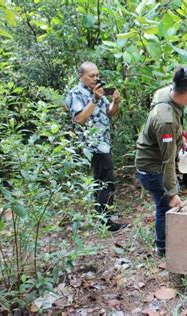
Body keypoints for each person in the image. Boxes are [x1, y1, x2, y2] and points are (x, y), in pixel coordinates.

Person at [135, 67, 187, 256]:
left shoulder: (167, 92)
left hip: (156, 159)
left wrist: (179, 139)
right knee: (165, 205)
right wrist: (172, 193)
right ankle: (163, 247)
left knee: (167, 201)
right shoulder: (166, 122)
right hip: (151, 167)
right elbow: (167, 162)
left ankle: (166, 241)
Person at [65, 61, 126, 232]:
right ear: (81, 76)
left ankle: (100, 218)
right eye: (91, 76)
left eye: (97, 75)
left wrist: (116, 102)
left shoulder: (98, 91)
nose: (95, 78)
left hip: (104, 143)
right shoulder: (75, 94)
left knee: (101, 181)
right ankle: (107, 222)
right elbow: (79, 119)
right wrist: (94, 99)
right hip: (91, 145)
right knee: (106, 182)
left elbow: (109, 112)